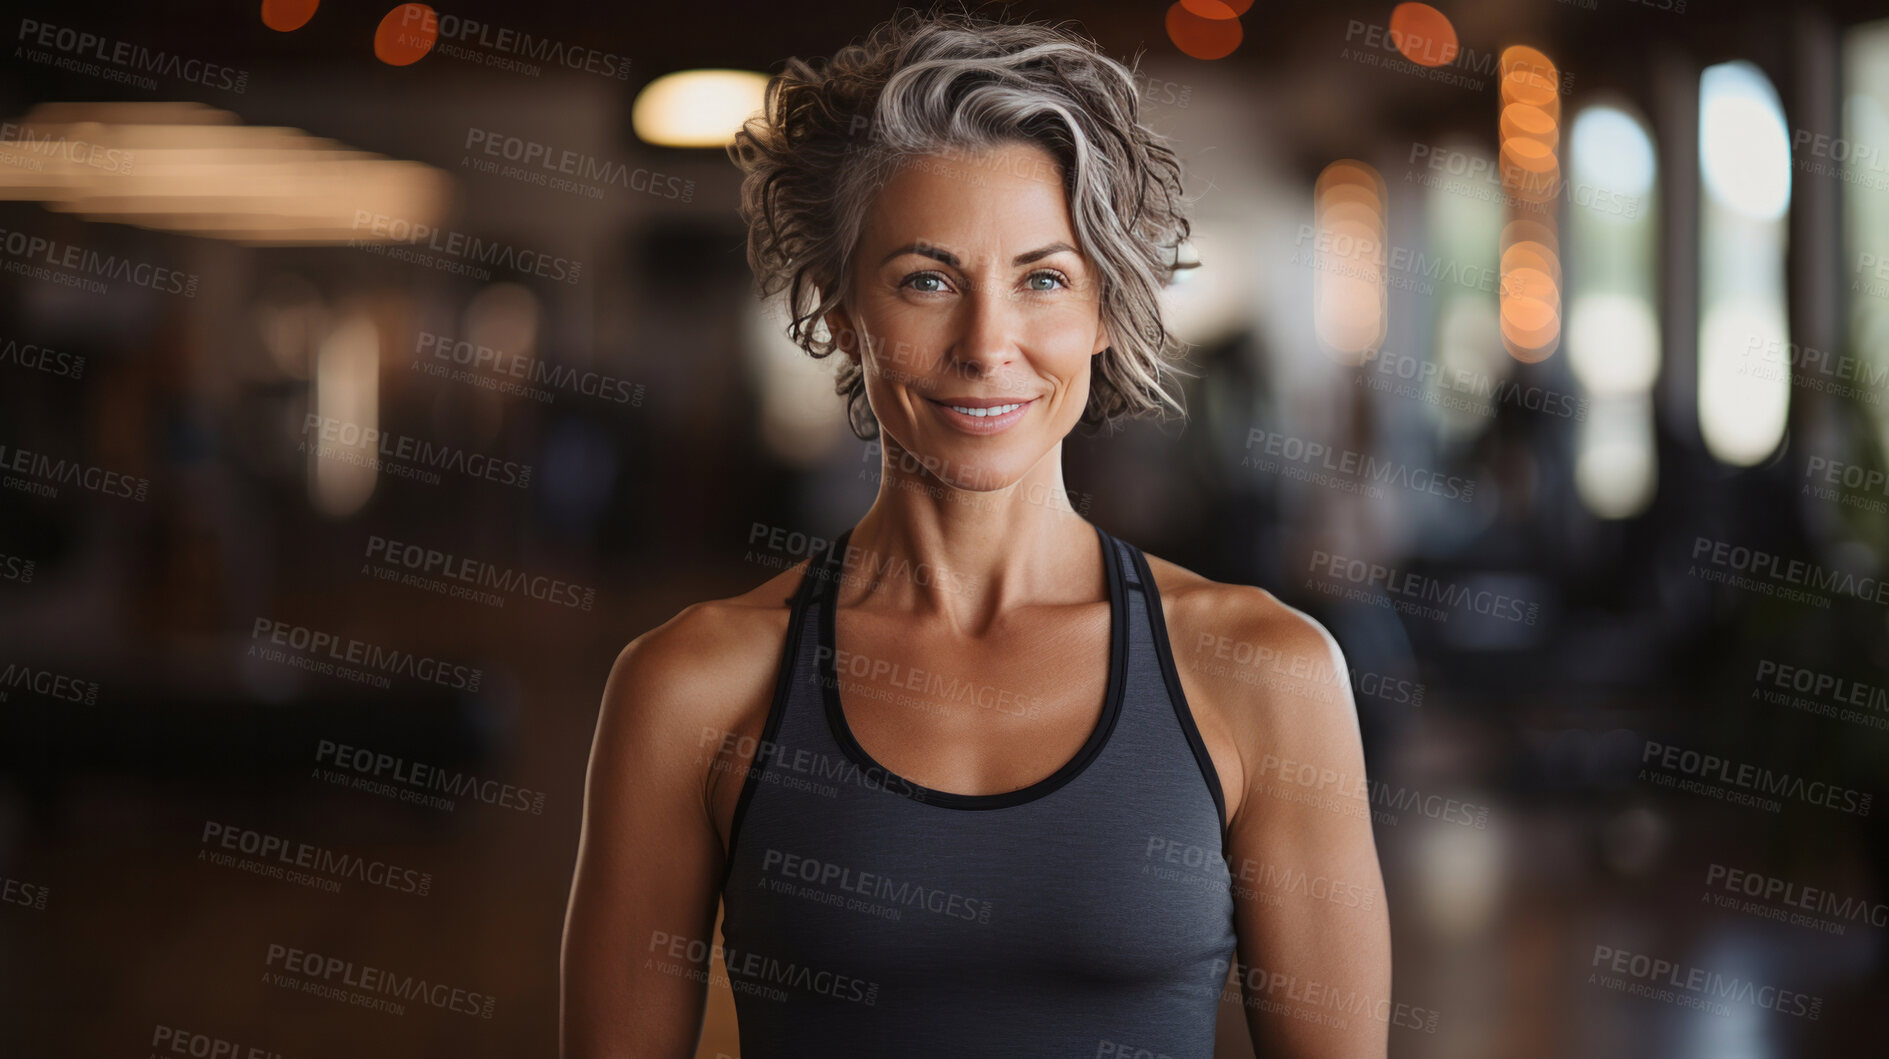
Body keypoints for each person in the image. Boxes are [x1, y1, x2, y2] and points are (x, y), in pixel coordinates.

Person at [561, 7, 1389, 1056]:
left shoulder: (1264, 674)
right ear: (839, 307)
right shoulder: (689, 685)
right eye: (925, 280)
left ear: (1102, 311)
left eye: (1041, 278)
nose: (985, 343)